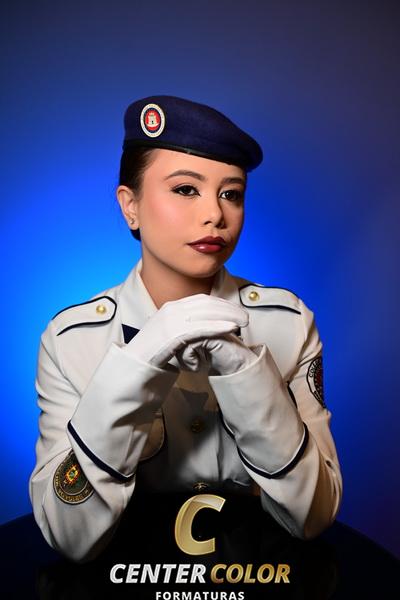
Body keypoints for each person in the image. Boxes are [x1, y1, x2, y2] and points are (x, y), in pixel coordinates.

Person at [29, 95, 343, 563]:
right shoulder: (72, 340)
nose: (215, 214)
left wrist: (249, 377)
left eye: (231, 193)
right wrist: (134, 370)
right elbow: (67, 534)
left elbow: (314, 515)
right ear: (130, 206)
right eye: (186, 189)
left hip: (254, 578)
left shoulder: (288, 323)